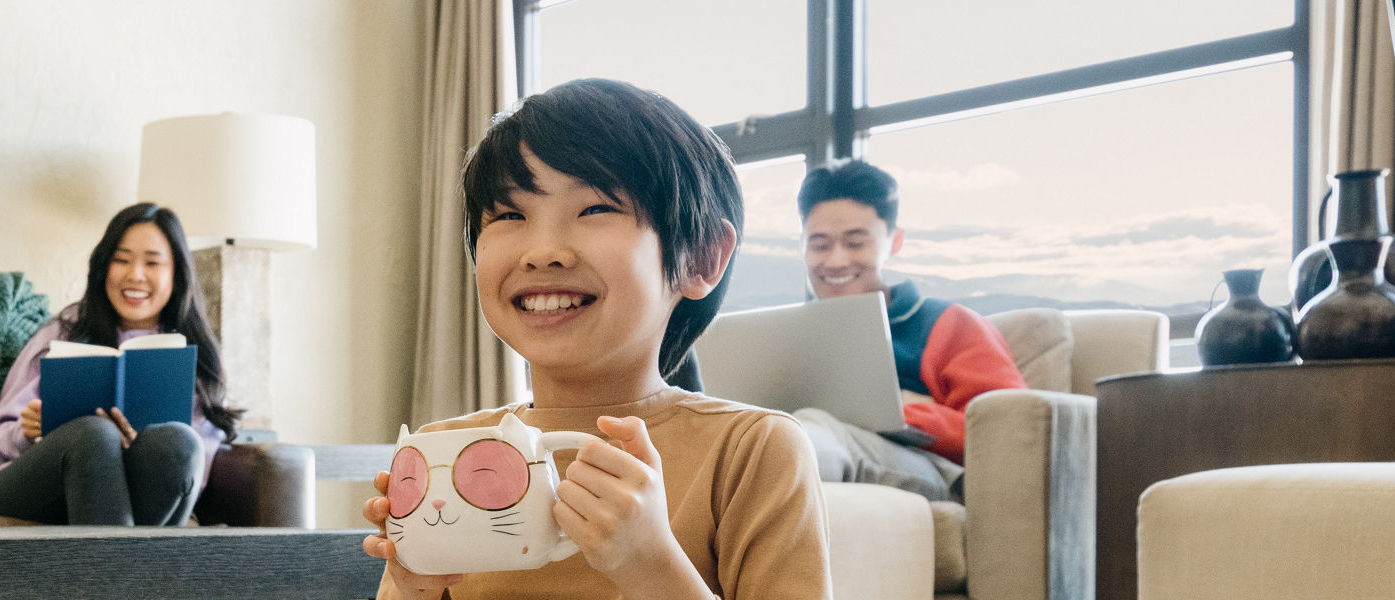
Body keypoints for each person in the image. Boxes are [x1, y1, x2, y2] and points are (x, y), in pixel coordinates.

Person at [360, 78, 828, 599]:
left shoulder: (752, 450)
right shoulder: (443, 449)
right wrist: (412, 584)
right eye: (510, 215)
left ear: (701, 257)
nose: (542, 251)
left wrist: (651, 563)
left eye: (594, 209)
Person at [0, 202, 242, 526]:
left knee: (179, 442)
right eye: (121, 259)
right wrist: (27, 434)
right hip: (38, 486)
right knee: (94, 435)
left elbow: (193, 472)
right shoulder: (67, 329)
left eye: (152, 263)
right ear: (104, 267)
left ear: (177, 273)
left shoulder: (194, 356)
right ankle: (130, 573)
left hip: (146, 498)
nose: (135, 275)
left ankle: (113, 572)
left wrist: (131, 451)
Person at [790, 159, 1026, 502]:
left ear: (894, 241)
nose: (836, 261)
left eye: (856, 243)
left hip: (929, 471)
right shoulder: (788, 337)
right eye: (820, 245)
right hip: (821, 450)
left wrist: (898, 411)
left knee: (800, 436)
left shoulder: (946, 323)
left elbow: (1010, 428)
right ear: (802, 246)